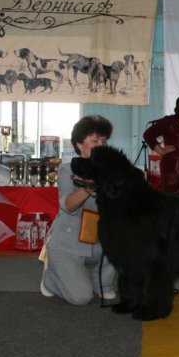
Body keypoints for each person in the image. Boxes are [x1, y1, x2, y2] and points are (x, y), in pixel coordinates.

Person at [40, 115, 117, 305]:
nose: (101, 145)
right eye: (95, 141)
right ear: (80, 145)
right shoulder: (68, 170)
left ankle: (104, 285)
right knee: (81, 298)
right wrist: (86, 190)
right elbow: (67, 205)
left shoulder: (112, 171)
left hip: (96, 241)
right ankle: (50, 278)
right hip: (68, 242)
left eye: (104, 141)